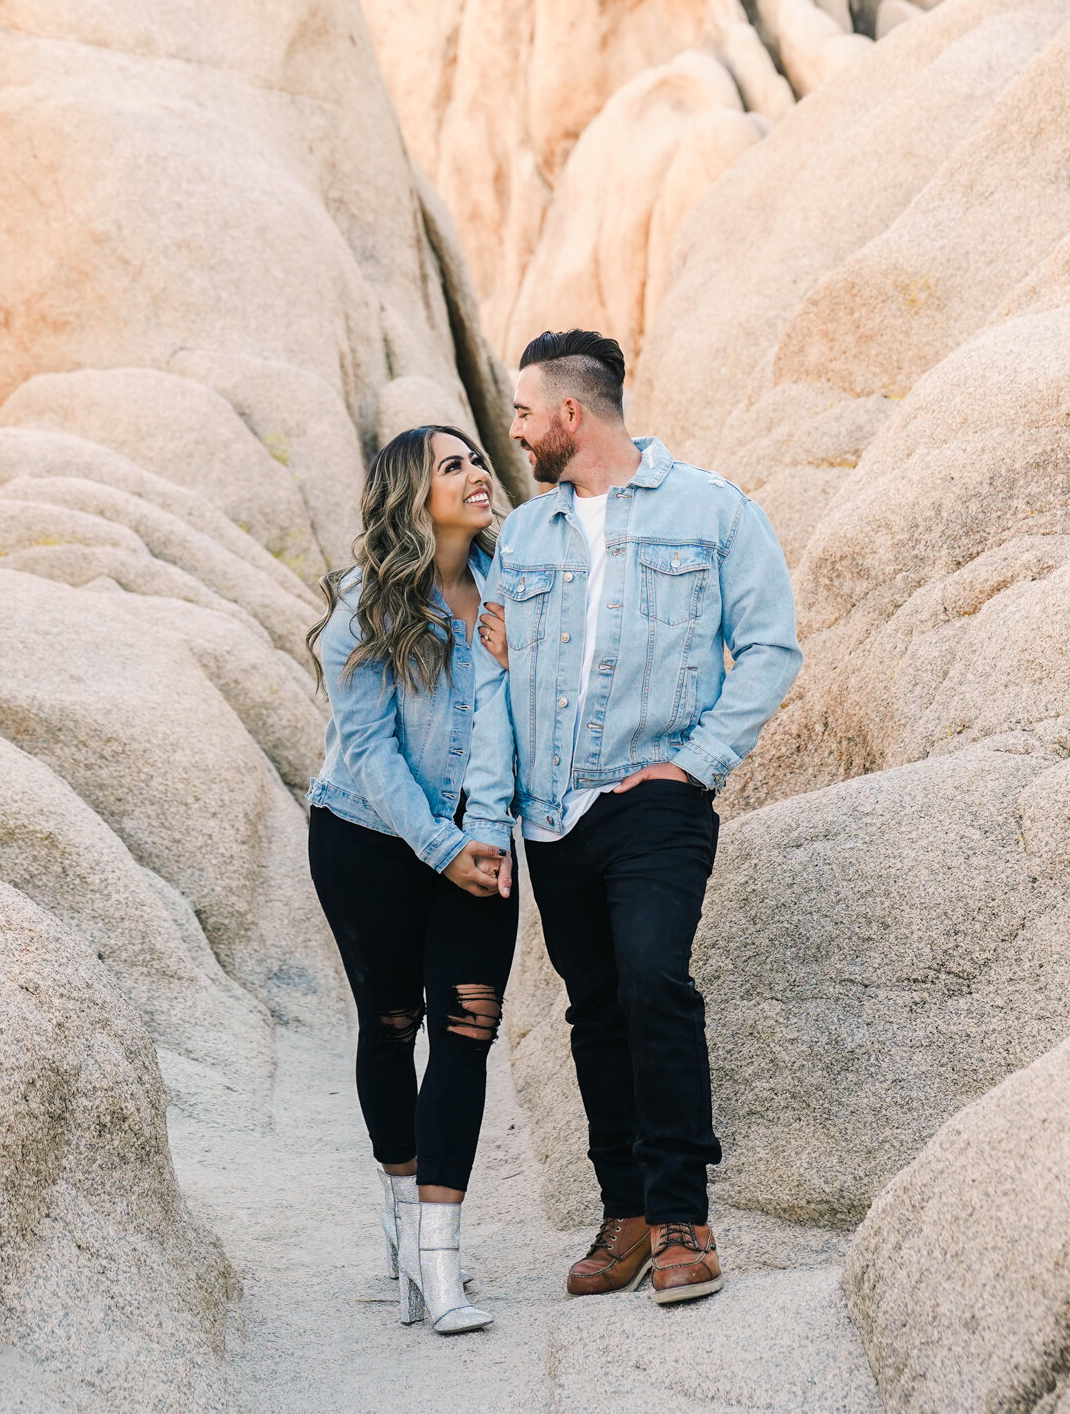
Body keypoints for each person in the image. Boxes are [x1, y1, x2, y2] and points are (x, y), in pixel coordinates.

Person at [466, 330, 801, 1306]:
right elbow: (494, 683)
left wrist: (689, 765)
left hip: (654, 802)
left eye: (525, 414)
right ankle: (626, 1214)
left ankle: (684, 1214)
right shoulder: (523, 539)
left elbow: (771, 649)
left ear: (572, 414)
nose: (516, 433)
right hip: (550, 813)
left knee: (655, 980)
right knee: (595, 1009)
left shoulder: (713, 511)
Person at [304, 424, 519, 1336]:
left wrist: (484, 833)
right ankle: (401, 1231)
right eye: (452, 465)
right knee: (393, 1025)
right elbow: (373, 753)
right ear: (409, 495)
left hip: (480, 840)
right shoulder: (366, 609)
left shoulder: (514, 592)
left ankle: (442, 1264)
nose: (476, 474)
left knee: (468, 1023)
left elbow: (520, 724)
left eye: (476, 459)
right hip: (366, 838)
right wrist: (442, 847)